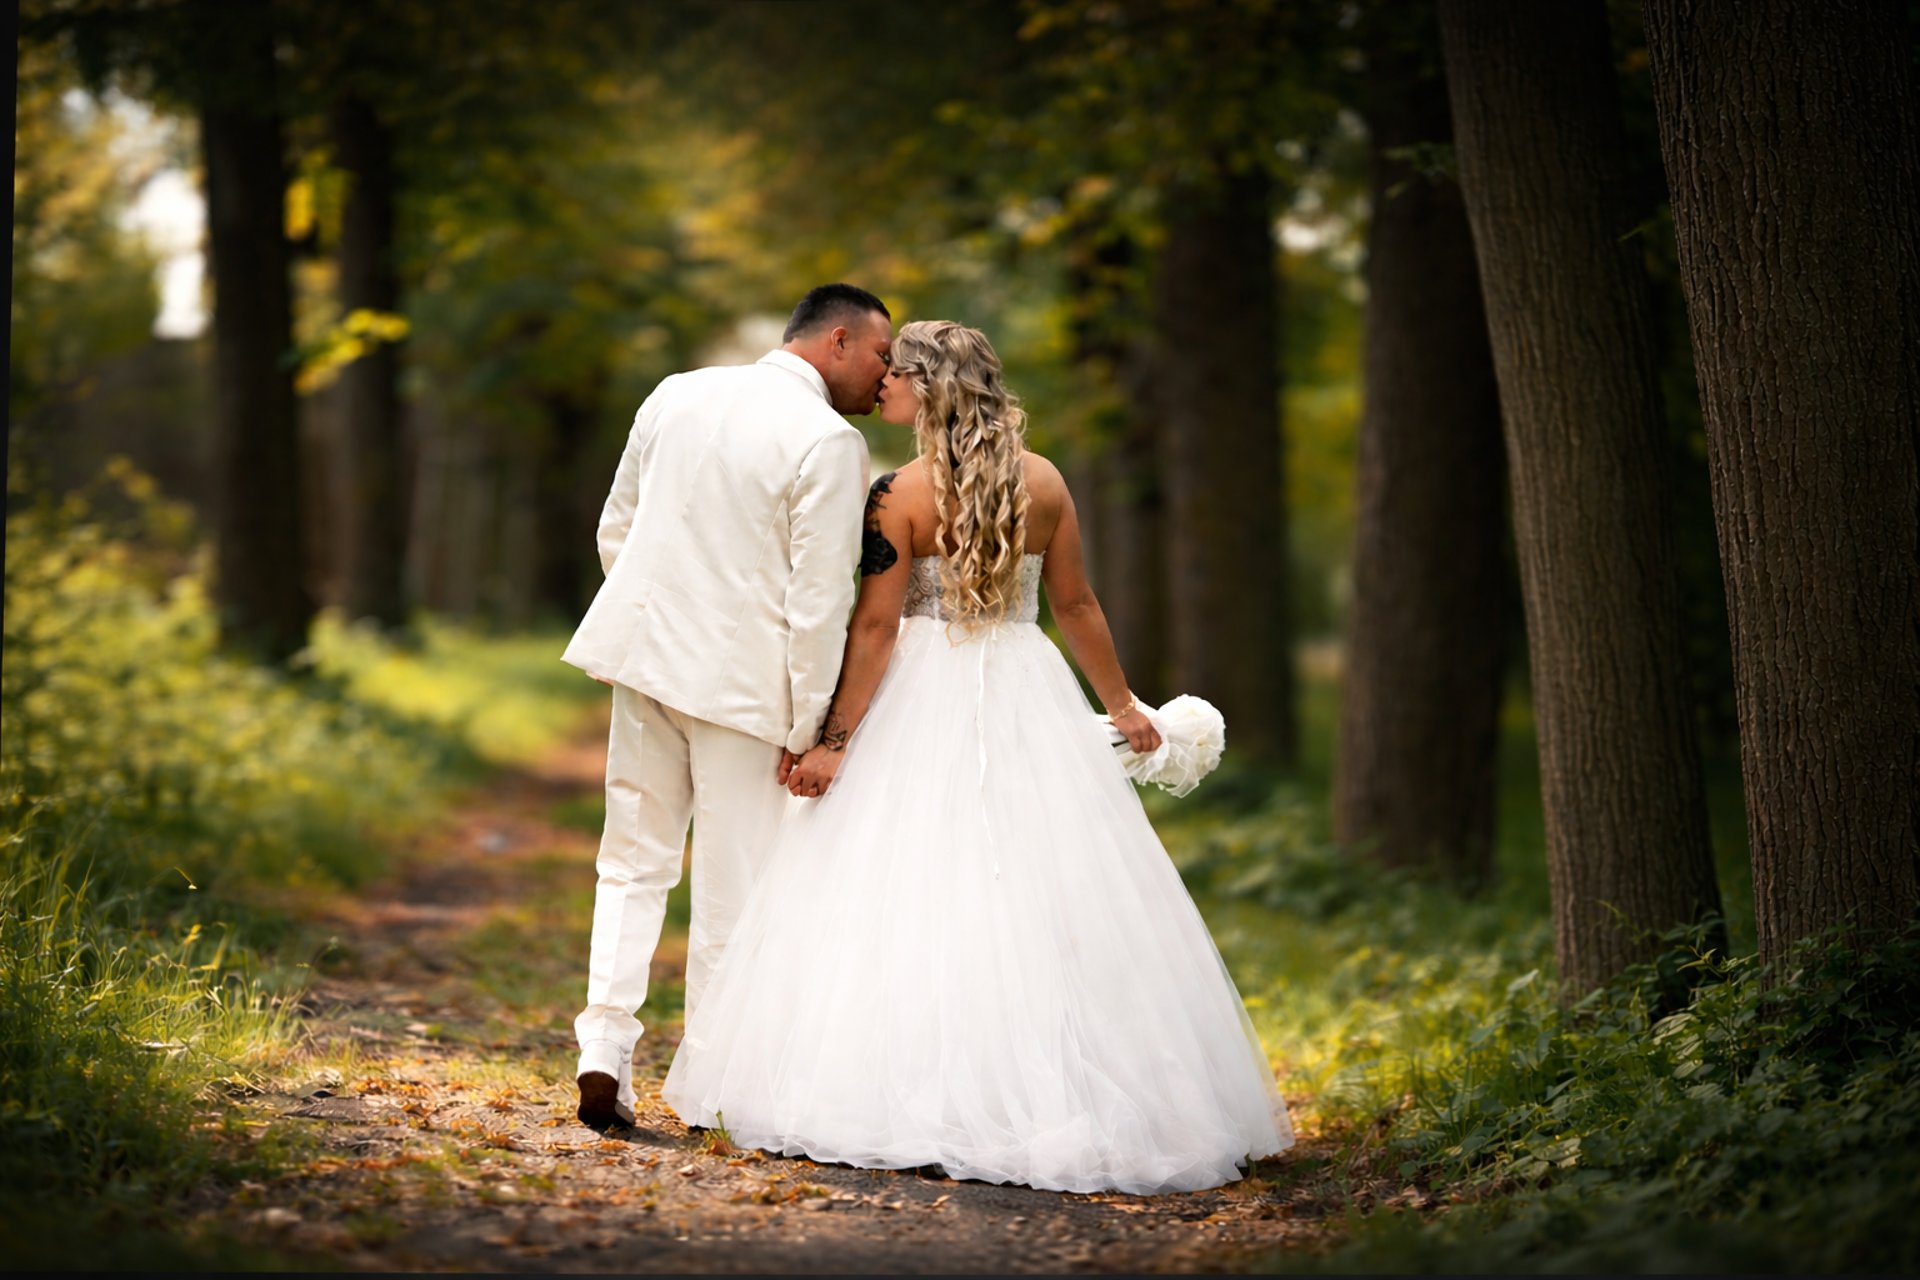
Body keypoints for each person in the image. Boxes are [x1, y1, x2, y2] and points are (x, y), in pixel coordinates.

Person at [660, 320, 1294, 1194]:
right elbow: (1075, 606)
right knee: (1034, 880)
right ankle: (1039, 1077)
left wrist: (835, 741)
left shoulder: (899, 493)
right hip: (1022, 678)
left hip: (924, 690)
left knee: (901, 878)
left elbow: (877, 627)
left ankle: (899, 1085)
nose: (882, 381)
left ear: (930, 387)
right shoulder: (1045, 482)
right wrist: (1121, 705)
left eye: (896, 373)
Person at [562, 284, 893, 1129]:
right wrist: (811, 724)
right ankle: (707, 1087)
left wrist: (657, 624)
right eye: (882, 355)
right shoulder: (829, 440)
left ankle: (603, 1047)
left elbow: (618, 530)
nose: (885, 375)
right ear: (840, 340)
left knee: (630, 864)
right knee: (731, 889)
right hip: (746, 693)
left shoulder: (679, 391)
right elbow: (819, 599)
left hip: (646, 666)